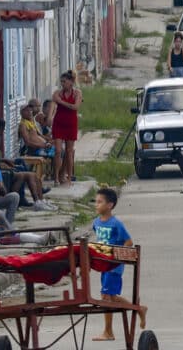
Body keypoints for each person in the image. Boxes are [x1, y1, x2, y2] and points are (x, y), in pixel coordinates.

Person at [91, 188, 147, 341]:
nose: (96, 205)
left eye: (99, 202)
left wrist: (118, 257)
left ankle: (108, 332)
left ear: (110, 205)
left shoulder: (116, 224)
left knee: (106, 296)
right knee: (110, 296)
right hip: (103, 264)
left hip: (114, 265)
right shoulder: (96, 223)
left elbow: (128, 241)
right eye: (96, 202)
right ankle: (139, 308)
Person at [50, 70, 82, 186]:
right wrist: (49, 116)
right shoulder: (57, 93)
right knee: (58, 151)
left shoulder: (77, 93)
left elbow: (75, 107)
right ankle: (56, 177)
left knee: (69, 151)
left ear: (71, 82)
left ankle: (68, 177)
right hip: (59, 123)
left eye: (64, 82)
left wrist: (61, 102)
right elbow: (54, 102)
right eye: (61, 82)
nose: (62, 84)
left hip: (71, 123)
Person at [19, 104, 61, 181]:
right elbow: (28, 143)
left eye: (30, 111)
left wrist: (50, 141)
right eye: (27, 111)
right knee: (57, 152)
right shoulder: (23, 125)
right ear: (22, 113)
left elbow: (40, 136)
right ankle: (56, 177)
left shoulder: (31, 123)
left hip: (42, 147)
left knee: (60, 149)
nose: (30, 112)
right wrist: (43, 145)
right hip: (33, 150)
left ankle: (57, 175)